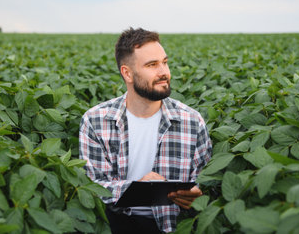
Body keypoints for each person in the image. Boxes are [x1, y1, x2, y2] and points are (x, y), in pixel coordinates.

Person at [79, 27, 212, 233]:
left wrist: (198, 193)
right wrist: (137, 189)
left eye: (164, 62)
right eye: (152, 65)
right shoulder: (96, 121)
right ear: (127, 73)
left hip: (175, 226)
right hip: (117, 225)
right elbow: (92, 186)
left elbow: (207, 180)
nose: (163, 72)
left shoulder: (191, 121)